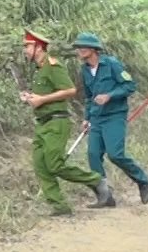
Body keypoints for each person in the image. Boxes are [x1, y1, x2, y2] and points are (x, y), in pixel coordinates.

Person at [20, 30, 114, 213]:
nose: (24, 50)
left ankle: (96, 180)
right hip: (42, 123)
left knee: (54, 164)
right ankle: (60, 206)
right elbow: (45, 94)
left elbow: (70, 90)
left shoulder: (53, 66)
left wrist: (41, 100)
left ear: (38, 48)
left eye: (27, 46)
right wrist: (31, 97)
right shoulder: (39, 70)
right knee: (40, 165)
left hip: (57, 122)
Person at [73, 32, 148, 204]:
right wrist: (86, 118)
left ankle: (141, 179)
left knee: (115, 154)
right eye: (78, 47)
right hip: (96, 118)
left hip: (115, 115)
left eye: (83, 46)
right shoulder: (84, 70)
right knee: (93, 154)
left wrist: (110, 95)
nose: (79, 50)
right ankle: (105, 196)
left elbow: (130, 86)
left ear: (94, 49)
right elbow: (89, 97)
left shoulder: (112, 64)